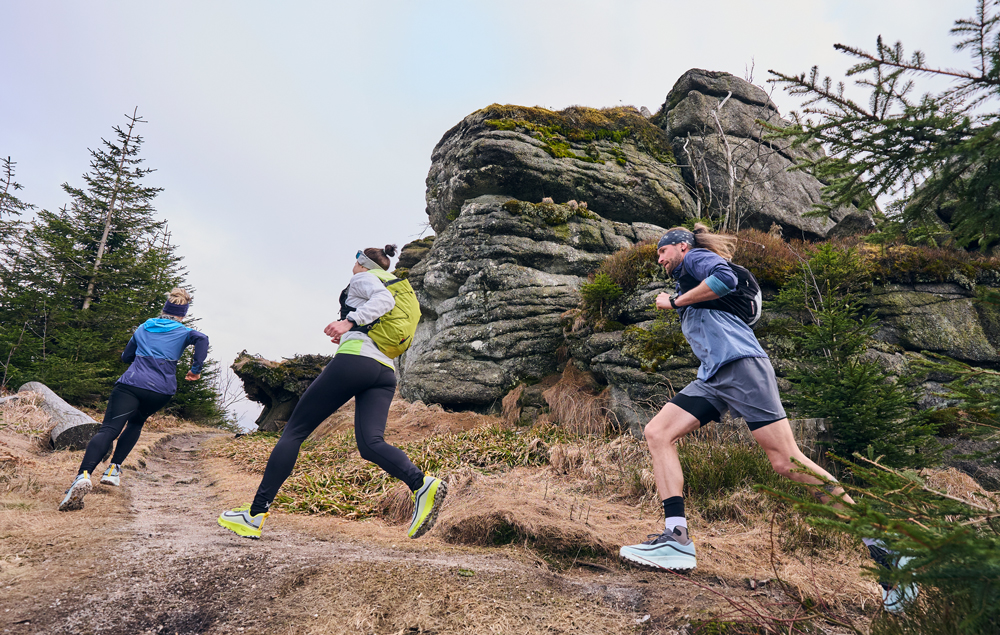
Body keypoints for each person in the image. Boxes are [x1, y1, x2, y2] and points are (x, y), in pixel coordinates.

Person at [618, 224, 852, 571]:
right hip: (713, 376)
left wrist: (675, 301)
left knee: (786, 462)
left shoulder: (695, 258)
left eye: (661, 252)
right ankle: (676, 538)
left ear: (680, 247)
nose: (659, 260)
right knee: (657, 433)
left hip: (742, 367)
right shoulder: (688, 280)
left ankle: (879, 540)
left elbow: (725, 279)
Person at [218, 245, 447, 540]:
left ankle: (254, 514)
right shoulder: (391, 283)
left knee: (294, 432)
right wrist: (350, 328)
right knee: (370, 444)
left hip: (356, 361)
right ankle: (420, 484)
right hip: (384, 371)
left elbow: (384, 300)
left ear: (361, 263)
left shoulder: (363, 278)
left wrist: (348, 322)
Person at [58, 288, 209, 511]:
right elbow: (203, 339)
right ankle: (113, 469)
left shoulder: (144, 327)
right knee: (137, 422)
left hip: (131, 385)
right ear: (182, 315)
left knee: (108, 430)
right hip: (161, 391)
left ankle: (83, 476)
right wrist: (195, 369)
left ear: (164, 310)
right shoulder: (185, 332)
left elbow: (126, 356)